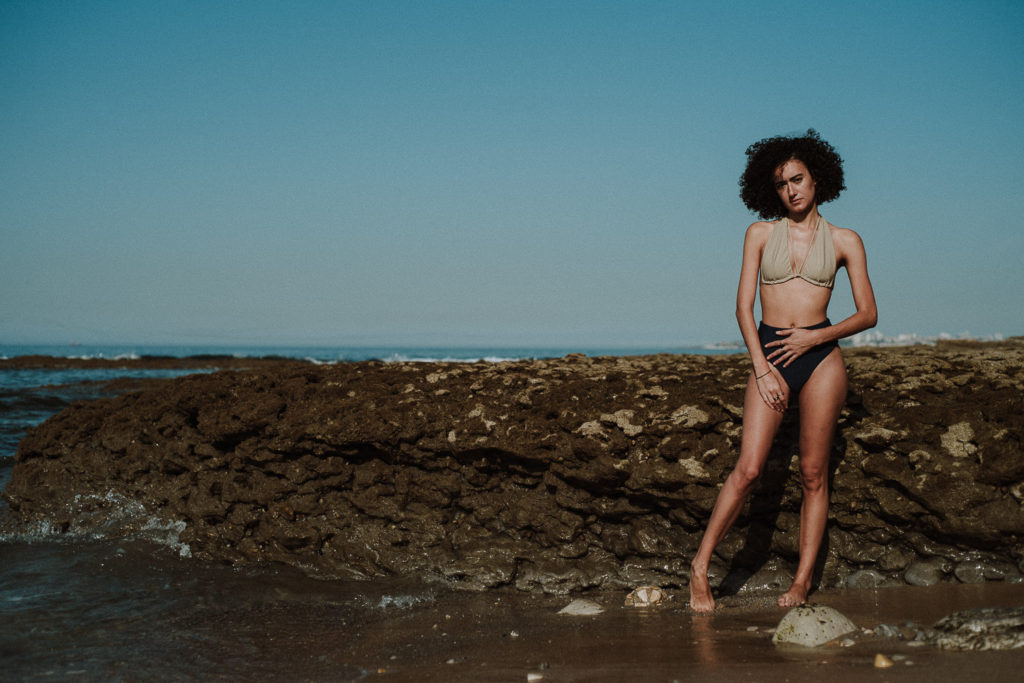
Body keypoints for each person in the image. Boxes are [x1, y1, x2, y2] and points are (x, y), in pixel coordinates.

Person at [688, 130, 877, 612]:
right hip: (769, 354)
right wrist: (763, 366)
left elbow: (868, 313)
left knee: (814, 474)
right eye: (781, 184)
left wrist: (816, 337)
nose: (791, 190)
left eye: (798, 179)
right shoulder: (759, 233)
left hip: (821, 358)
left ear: (818, 180)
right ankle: (700, 566)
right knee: (749, 468)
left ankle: (800, 583)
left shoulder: (844, 240)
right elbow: (742, 308)